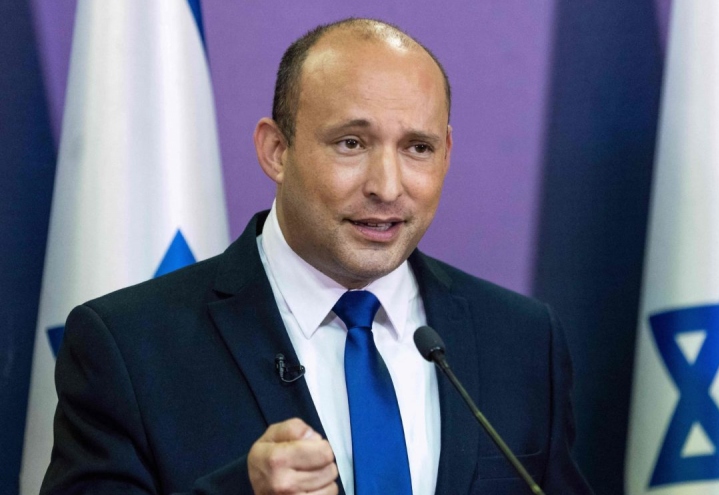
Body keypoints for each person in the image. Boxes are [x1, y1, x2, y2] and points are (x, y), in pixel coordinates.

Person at [41, 18, 592, 495]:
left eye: (417, 148)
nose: (387, 186)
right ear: (276, 151)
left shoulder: (522, 342)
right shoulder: (130, 347)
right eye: (351, 143)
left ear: (446, 153)